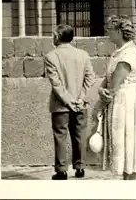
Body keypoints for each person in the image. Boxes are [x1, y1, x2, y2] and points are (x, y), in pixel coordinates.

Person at [44, 24, 95, 180]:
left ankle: (61, 171)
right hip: (80, 104)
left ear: (58, 37)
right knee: (79, 134)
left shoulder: (51, 56)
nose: (52, 37)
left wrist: (69, 101)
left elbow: (56, 84)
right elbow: (90, 78)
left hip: (61, 105)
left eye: (54, 35)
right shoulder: (83, 55)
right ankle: (80, 168)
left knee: (60, 136)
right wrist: (80, 98)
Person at [97, 15, 136, 180]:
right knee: (125, 143)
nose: (107, 32)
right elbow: (109, 77)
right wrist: (101, 88)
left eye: (110, 29)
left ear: (119, 31)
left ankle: (127, 183)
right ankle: (126, 179)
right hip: (122, 100)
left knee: (125, 142)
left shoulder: (127, 55)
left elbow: (114, 87)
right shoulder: (121, 51)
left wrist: (103, 95)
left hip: (124, 102)